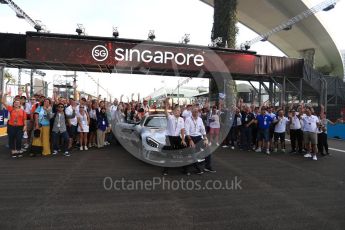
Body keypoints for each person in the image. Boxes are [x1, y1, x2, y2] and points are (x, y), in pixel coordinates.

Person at [162, 97, 187, 176]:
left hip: (177, 137)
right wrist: (166, 102)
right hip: (169, 137)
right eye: (177, 110)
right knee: (169, 153)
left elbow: (182, 130)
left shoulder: (181, 119)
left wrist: (183, 139)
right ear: (173, 111)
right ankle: (165, 170)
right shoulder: (170, 117)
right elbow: (165, 110)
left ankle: (185, 169)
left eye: (179, 111)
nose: (178, 112)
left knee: (184, 149)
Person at [185, 107, 210, 175]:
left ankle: (207, 167)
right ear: (192, 112)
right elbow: (186, 132)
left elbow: (203, 130)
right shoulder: (188, 119)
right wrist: (190, 140)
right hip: (190, 137)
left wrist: (205, 139)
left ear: (198, 112)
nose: (196, 113)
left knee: (207, 148)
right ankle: (197, 169)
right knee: (192, 152)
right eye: (194, 111)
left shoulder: (200, 119)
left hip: (198, 137)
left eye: (197, 112)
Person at [1, 91, 27, 158]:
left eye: (17, 103)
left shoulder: (23, 111)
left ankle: (18, 150)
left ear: (20, 104)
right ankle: (13, 150)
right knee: (11, 139)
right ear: (13, 104)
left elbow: (24, 119)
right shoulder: (11, 109)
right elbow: (3, 102)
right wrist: (5, 95)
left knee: (19, 139)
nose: (16, 104)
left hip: (20, 127)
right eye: (15, 103)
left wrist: (25, 126)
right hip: (11, 126)